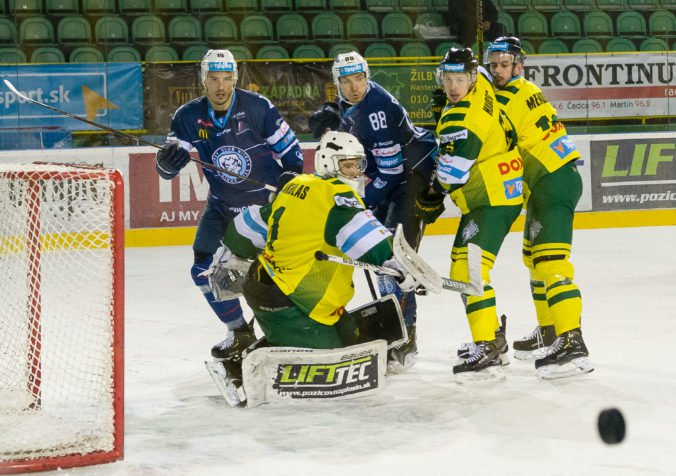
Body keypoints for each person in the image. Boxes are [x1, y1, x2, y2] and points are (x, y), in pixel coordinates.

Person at [209, 131, 422, 392]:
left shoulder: (295, 186)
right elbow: (365, 237)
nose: (356, 172)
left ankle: (275, 344)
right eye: (347, 164)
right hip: (290, 301)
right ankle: (237, 369)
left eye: (358, 164)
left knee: (349, 335)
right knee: (328, 359)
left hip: (270, 288)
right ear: (328, 163)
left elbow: (251, 224)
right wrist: (395, 263)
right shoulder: (335, 197)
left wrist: (231, 247)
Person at [155, 49, 303, 360]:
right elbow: (167, 171)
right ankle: (239, 331)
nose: (221, 86)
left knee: (277, 275)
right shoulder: (187, 116)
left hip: (266, 207)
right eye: (213, 79)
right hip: (222, 206)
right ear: (203, 81)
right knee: (202, 269)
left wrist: (289, 178)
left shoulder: (257, 107)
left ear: (235, 79)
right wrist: (166, 162)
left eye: (226, 79)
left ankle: (297, 331)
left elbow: (293, 154)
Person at [307, 51, 438, 367]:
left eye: (360, 79)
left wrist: (360, 205)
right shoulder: (350, 102)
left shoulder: (379, 107)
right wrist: (328, 112)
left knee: (393, 261)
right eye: (347, 81)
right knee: (380, 260)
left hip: (412, 180)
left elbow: (392, 172)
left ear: (368, 77)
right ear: (338, 83)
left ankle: (406, 339)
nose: (355, 87)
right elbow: (342, 115)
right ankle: (392, 328)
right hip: (389, 180)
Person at [485, 37, 593, 379]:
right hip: (546, 182)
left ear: (518, 66)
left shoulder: (510, 95)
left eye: (504, 64)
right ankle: (549, 330)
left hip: (553, 181)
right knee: (533, 260)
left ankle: (572, 342)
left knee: (551, 263)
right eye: (493, 65)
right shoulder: (525, 88)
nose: (497, 70)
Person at [415, 47, 523, 382]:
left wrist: (428, 199)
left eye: (459, 79)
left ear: (471, 78)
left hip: (491, 197)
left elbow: (451, 175)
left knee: (469, 271)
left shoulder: (465, 119)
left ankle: (487, 345)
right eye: (447, 78)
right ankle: (493, 338)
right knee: (461, 265)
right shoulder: (485, 84)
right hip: (493, 193)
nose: (452, 86)